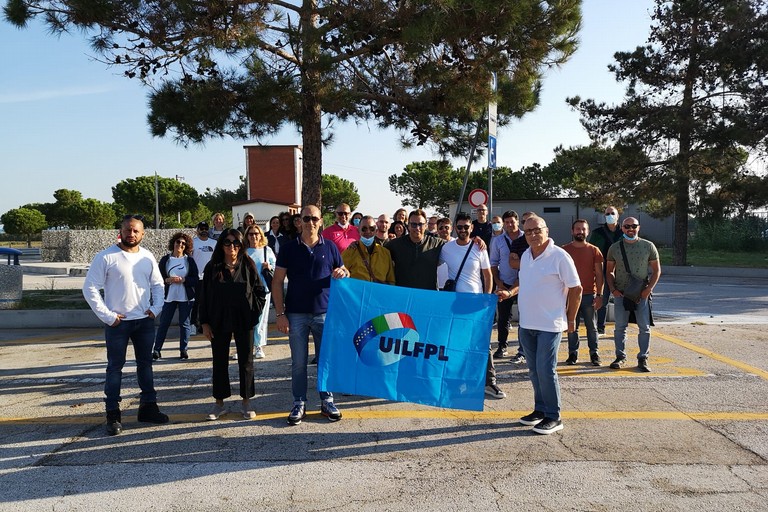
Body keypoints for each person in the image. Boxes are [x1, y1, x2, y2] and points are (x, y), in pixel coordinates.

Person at [82, 214, 169, 436]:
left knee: (145, 365)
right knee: (114, 369)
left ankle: (148, 408)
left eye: (136, 231)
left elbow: (158, 285)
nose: (131, 234)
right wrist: (108, 316)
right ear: (120, 231)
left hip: (143, 322)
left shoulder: (148, 257)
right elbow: (89, 288)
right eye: (128, 230)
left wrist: (155, 308)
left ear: (143, 234)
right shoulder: (106, 257)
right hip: (117, 324)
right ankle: (113, 414)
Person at [272, 204, 350, 425]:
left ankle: (327, 401)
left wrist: (343, 271)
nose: (310, 223)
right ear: (300, 222)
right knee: (298, 363)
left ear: (321, 221)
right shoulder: (288, 249)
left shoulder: (332, 247)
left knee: (326, 360)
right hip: (295, 314)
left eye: (314, 219)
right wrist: (280, 314)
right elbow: (277, 282)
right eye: (306, 219)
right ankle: (299, 402)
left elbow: (345, 272)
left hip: (324, 314)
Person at [516, 215, 581, 435]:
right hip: (527, 323)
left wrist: (570, 318)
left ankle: (554, 416)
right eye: (528, 232)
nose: (533, 235)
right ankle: (540, 410)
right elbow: (526, 284)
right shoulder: (526, 255)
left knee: (546, 370)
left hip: (550, 324)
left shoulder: (559, 256)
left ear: (546, 230)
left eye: (537, 230)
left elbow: (576, 289)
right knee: (534, 370)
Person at [198, 229, 266, 421]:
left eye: (236, 243)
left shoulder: (248, 264)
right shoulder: (213, 267)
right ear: (221, 244)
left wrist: (255, 311)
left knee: (246, 362)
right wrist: (204, 322)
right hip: (218, 320)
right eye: (227, 243)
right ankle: (219, 404)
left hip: (244, 321)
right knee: (219, 362)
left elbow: (260, 290)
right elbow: (204, 296)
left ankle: (246, 401)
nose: (232, 247)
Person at [439, 212, 505, 400]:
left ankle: (489, 382)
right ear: (454, 228)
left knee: (482, 343)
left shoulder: (479, 247)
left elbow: (487, 275)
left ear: (471, 227)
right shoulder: (446, 248)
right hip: (454, 303)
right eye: (459, 227)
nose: (462, 230)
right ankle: (455, 382)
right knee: (456, 343)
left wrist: (487, 298)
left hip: (476, 302)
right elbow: (432, 261)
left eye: (466, 227)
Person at [606, 217, 661, 372]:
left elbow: (656, 271)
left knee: (644, 328)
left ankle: (643, 358)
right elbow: (609, 270)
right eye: (627, 226)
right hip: (621, 294)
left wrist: (648, 289)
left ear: (639, 227)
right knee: (620, 327)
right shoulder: (615, 248)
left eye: (634, 226)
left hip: (640, 294)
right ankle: (620, 356)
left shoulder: (648, 246)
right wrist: (613, 289)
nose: (630, 229)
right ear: (622, 228)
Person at [561, 220, 604, 366]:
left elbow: (599, 274)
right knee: (572, 326)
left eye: (583, 229)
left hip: (588, 295)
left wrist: (599, 295)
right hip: (569, 296)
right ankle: (572, 353)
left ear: (587, 231)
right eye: (577, 229)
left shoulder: (594, 250)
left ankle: (594, 353)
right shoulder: (563, 250)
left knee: (592, 327)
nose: (580, 232)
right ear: (572, 231)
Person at [152, 232, 199, 360]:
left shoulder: (189, 260)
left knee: (185, 324)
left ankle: (183, 350)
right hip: (169, 297)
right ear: (173, 243)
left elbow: (195, 278)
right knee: (164, 323)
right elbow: (157, 278)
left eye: (183, 243)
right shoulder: (165, 260)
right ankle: (157, 350)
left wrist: (184, 280)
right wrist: (167, 280)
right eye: (178, 242)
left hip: (186, 297)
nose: (180, 245)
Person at [489, 210, 522, 359]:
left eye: (512, 221)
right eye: (506, 222)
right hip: (504, 283)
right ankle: (502, 346)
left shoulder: (526, 237)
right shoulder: (498, 240)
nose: (509, 224)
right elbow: (493, 263)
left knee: (525, 317)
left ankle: (523, 349)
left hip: (524, 284)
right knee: (503, 318)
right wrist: (498, 282)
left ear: (517, 221)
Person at [506, 210, 537, 364]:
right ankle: (522, 352)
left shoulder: (543, 241)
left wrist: (523, 262)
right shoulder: (517, 242)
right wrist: (535, 263)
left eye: (530, 221)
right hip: (523, 285)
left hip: (541, 288)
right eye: (525, 222)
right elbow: (512, 263)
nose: (527, 224)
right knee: (524, 320)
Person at [588, 206, 623, 335]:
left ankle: (621, 327)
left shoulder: (625, 231)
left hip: (621, 270)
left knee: (623, 299)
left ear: (618, 216)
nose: (609, 215)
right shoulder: (598, 232)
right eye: (607, 214)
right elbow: (591, 250)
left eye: (612, 213)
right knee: (602, 298)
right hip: (602, 269)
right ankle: (600, 326)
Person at [244, 224, 276, 359]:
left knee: (261, 319)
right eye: (251, 234)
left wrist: (269, 266)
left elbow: (276, 267)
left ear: (261, 235)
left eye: (256, 233)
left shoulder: (266, 250)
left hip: (263, 290)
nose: (254, 236)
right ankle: (246, 346)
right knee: (246, 319)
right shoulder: (243, 251)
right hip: (246, 290)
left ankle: (259, 346)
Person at [342, 215, 395, 284]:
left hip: (378, 293)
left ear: (376, 231)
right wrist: (344, 272)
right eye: (364, 229)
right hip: (358, 293)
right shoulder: (349, 252)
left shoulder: (385, 253)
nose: (368, 231)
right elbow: (342, 273)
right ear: (358, 230)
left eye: (371, 229)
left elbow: (391, 281)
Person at [191, 221, 217, 334]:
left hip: (211, 277)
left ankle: (210, 324)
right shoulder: (192, 242)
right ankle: (193, 324)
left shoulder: (214, 243)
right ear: (197, 230)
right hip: (197, 278)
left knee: (211, 302)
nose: (204, 230)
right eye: (201, 228)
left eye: (206, 228)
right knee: (196, 302)